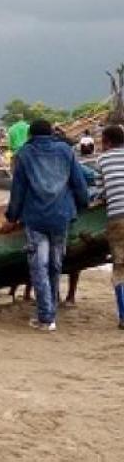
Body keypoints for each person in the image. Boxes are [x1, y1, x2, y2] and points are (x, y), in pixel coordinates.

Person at [3, 119, 89, 331]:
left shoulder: (24, 154)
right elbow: (79, 183)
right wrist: (83, 205)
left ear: (31, 135)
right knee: (55, 265)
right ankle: (50, 312)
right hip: (61, 216)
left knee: (39, 266)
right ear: (51, 133)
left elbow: (18, 192)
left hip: (35, 218)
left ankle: (46, 316)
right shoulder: (66, 151)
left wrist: (11, 217)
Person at [96, 125, 124, 329]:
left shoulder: (102, 160)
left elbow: (99, 193)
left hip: (118, 219)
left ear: (107, 142)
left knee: (120, 268)